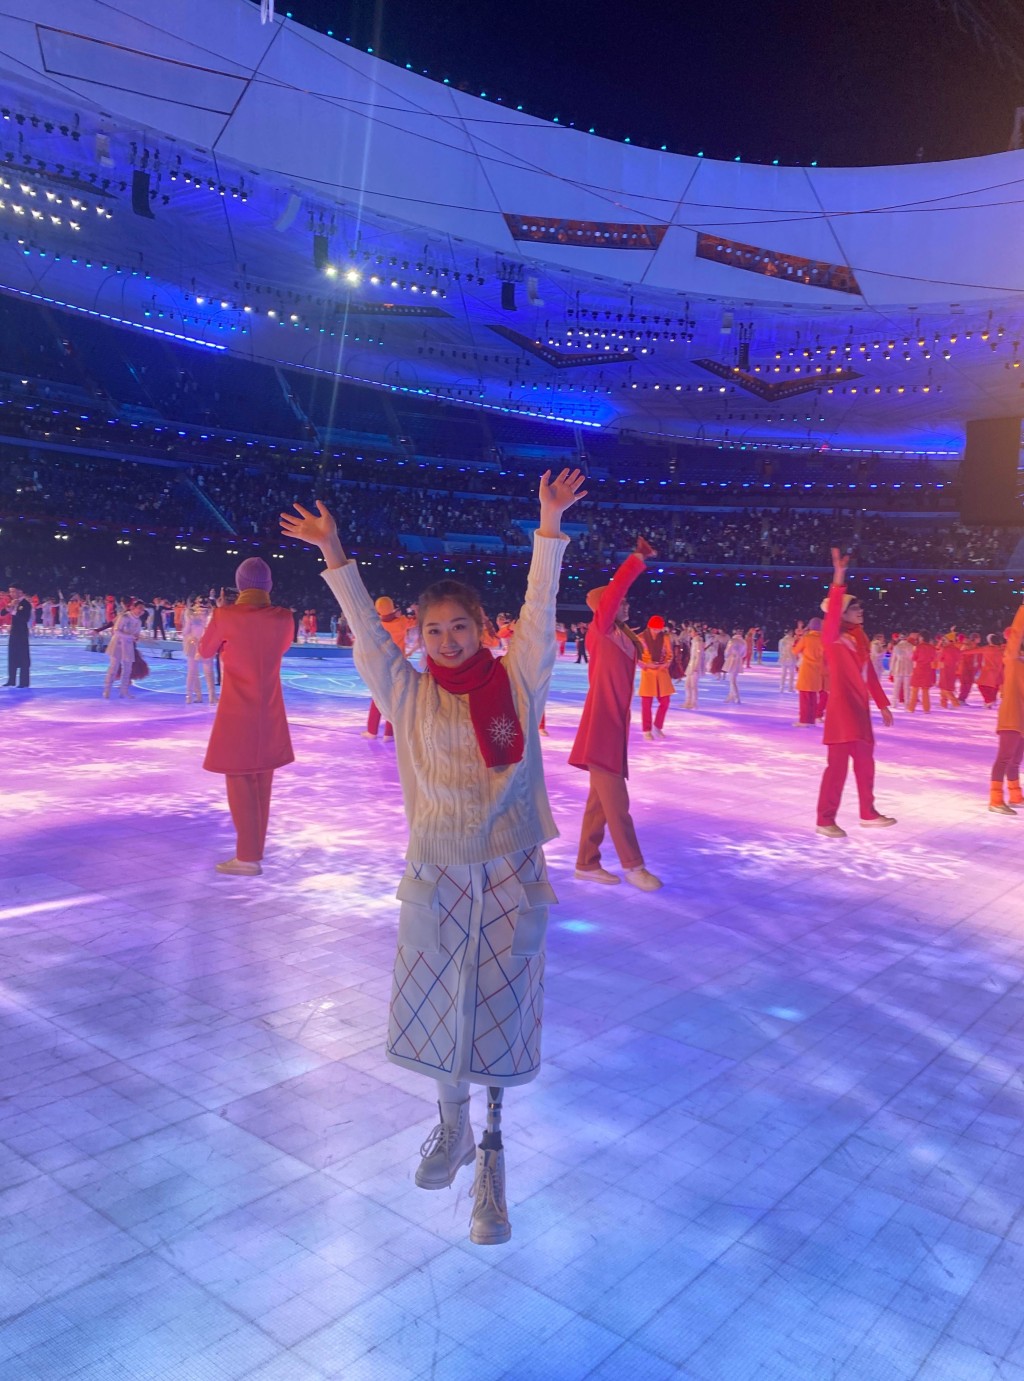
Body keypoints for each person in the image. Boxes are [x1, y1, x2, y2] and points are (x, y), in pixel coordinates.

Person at [283, 469, 584, 1247]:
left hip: (512, 872)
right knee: (441, 1007)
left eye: (460, 626)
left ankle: (491, 1160)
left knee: (500, 1012)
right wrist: (334, 552)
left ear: (484, 625)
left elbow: (543, 619)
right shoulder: (408, 693)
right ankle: (449, 1129)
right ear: (418, 635)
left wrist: (547, 527)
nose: (447, 639)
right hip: (438, 874)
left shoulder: (518, 684)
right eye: (434, 630)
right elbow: (365, 632)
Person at [570, 537, 662, 891]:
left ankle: (586, 863)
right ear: (604, 607)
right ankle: (634, 866)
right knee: (617, 803)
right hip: (601, 726)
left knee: (599, 802)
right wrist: (636, 558)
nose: (625, 604)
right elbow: (613, 593)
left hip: (613, 726)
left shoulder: (623, 638)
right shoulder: (601, 630)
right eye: (619, 601)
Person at [198, 559, 295, 877]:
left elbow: (205, 650)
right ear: (268, 586)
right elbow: (278, 648)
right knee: (262, 781)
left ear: (239, 585)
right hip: (269, 711)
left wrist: (224, 614)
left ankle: (247, 857)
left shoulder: (225, 615)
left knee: (239, 782)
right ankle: (253, 851)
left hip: (237, 712)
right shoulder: (284, 618)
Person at [816, 549, 896, 838]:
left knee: (865, 763)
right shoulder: (832, 637)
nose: (861, 611)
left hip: (859, 709)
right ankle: (825, 819)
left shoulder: (859, 638)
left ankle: (868, 812)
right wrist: (839, 576)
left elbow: (869, 673)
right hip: (841, 710)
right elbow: (834, 610)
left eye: (861, 607)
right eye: (854, 608)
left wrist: (882, 704)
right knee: (836, 768)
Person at [989, 601, 1024, 814]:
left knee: (1016, 760)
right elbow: (1018, 631)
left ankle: (1015, 794)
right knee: (1004, 758)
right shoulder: (1011, 661)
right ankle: (995, 799)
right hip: (1011, 717)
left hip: (1022, 719)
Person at [363, 597, 414, 741]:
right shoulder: (401, 622)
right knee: (395, 700)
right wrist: (403, 613)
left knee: (377, 697)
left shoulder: (375, 625)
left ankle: (372, 731)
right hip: (398, 665)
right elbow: (414, 621)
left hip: (380, 665)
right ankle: (389, 733)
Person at [637, 615, 674, 739]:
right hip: (648, 672)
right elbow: (636, 657)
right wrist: (646, 665)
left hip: (662, 673)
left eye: (658, 629)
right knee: (646, 703)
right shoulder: (640, 638)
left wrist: (666, 663)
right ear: (649, 627)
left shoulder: (665, 638)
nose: (656, 632)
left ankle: (657, 726)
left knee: (665, 702)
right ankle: (646, 730)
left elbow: (669, 654)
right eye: (654, 629)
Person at [103, 599, 144, 699]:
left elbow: (136, 633)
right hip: (118, 644)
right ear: (133, 608)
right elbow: (116, 631)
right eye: (139, 608)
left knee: (127, 669)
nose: (141, 611)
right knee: (114, 667)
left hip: (128, 646)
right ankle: (107, 690)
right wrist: (130, 636)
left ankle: (124, 691)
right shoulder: (124, 617)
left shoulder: (138, 621)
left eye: (142, 610)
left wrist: (137, 637)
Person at [182, 598, 217, 705]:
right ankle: (192, 696)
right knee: (193, 672)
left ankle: (211, 697)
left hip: (206, 645)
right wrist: (191, 638)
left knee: (208, 672)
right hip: (194, 644)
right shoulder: (191, 615)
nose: (201, 606)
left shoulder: (212, 615)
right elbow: (185, 631)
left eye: (204, 604)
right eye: (199, 603)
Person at [794, 618, 825, 725]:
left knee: (804, 696)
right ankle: (811, 720)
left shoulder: (806, 638)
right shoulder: (824, 639)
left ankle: (803, 720)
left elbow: (795, 651)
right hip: (818, 670)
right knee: (813, 696)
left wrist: (798, 639)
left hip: (806, 669)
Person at [4, 586, 31, 689]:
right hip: (14, 633)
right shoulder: (13, 603)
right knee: (12, 655)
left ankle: (24, 682)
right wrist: (9, 606)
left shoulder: (26, 604)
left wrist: (14, 612)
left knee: (23, 657)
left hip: (22, 633)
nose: (11, 594)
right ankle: (11, 680)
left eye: (13, 591)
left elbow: (25, 618)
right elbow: (2, 613)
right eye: (10, 591)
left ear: (20, 591)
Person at [908, 634, 937, 713]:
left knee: (914, 690)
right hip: (927, 670)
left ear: (922, 638)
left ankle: (911, 708)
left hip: (918, 669)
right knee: (925, 691)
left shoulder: (918, 647)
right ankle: (926, 709)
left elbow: (913, 658)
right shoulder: (932, 648)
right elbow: (934, 658)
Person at [978, 634, 1004, 707]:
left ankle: (989, 700)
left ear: (989, 641)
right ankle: (991, 700)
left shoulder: (987, 648)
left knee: (981, 686)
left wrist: (960, 652)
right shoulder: (1000, 650)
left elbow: (973, 651)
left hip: (988, 671)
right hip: (999, 671)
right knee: (994, 687)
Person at [889, 633, 914, 708]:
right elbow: (913, 659)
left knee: (896, 687)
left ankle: (894, 703)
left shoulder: (896, 647)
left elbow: (893, 659)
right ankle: (907, 703)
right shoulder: (911, 647)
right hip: (908, 668)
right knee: (907, 688)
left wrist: (891, 669)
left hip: (898, 668)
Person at [723, 628, 746, 703]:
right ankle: (731, 696)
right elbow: (744, 653)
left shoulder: (732, 641)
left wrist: (726, 657)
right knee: (733, 679)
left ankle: (736, 697)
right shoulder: (743, 642)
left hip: (732, 660)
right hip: (738, 661)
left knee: (732, 680)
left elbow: (727, 651)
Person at [778, 629, 797, 693]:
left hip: (783, 659)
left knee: (783, 673)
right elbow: (795, 649)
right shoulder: (793, 640)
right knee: (791, 674)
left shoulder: (781, 641)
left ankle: (781, 688)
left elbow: (780, 650)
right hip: (791, 658)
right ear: (790, 632)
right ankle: (790, 688)